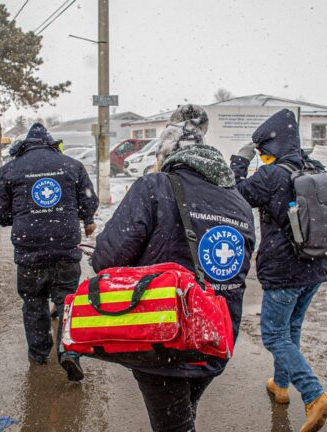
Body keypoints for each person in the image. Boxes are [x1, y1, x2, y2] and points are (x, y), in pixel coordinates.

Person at [91, 105, 256, 432]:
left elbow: (107, 259)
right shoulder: (238, 201)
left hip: (165, 337)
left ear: (167, 154)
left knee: (174, 424)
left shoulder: (154, 187)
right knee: (183, 412)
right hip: (215, 336)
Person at [230, 109, 327, 432]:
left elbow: (236, 196)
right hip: (316, 265)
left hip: (285, 271)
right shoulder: (315, 168)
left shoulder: (272, 175)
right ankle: (280, 386)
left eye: (263, 151)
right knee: (290, 330)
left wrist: (239, 162)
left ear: (271, 147)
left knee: (274, 334)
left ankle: (315, 396)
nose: (263, 157)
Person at [0, 123, 98, 382]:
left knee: (33, 300)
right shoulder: (72, 165)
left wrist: (21, 217)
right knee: (67, 300)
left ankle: (38, 353)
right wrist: (81, 216)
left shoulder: (10, 169)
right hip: (65, 246)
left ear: (25, 145)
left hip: (30, 249)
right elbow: (89, 201)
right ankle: (69, 350)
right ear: (52, 143)